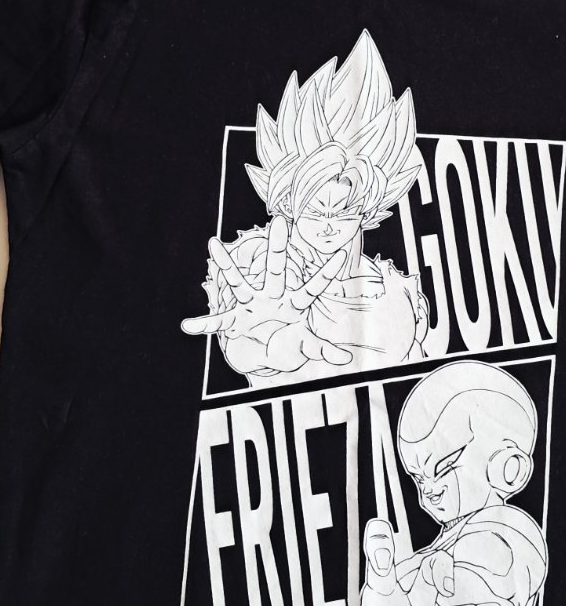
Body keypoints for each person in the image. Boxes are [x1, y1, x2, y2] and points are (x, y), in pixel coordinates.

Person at [301, 361, 548, 606]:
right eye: (418, 479)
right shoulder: (444, 544)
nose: (428, 492)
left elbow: (498, 566)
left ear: (509, 468)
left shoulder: (511, 527)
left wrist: (467, 604)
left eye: (443, 468)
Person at [181, 30, 429, 385]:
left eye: (343, 212)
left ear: (366, 209)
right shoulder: (265, 264)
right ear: (291, 203)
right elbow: (251, 329)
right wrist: (258, 345)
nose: (328, 224)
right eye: (315, 211)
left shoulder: (397, 293)